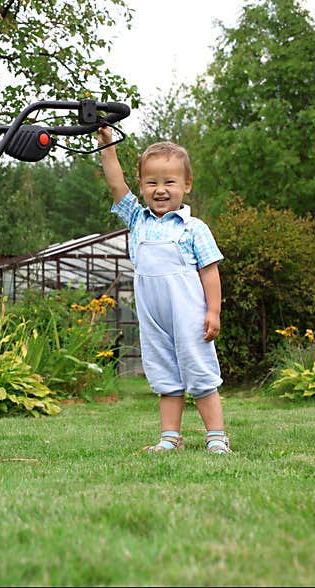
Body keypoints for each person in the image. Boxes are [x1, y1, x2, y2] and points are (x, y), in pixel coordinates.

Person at [97, 127, 231, 454]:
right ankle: (170, 437)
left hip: (189, 318)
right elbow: (116, 184)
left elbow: (210, 272)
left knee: (199, 374)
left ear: (186, 185)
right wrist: (108, 148)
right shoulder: (137, 220)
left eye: (169, 182)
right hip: (154, 319)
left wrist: (213, 311)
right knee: (166, 379)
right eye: (151, 182)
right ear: (141, 185)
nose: (160, 190)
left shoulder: (193, 228)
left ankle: (216, 436)